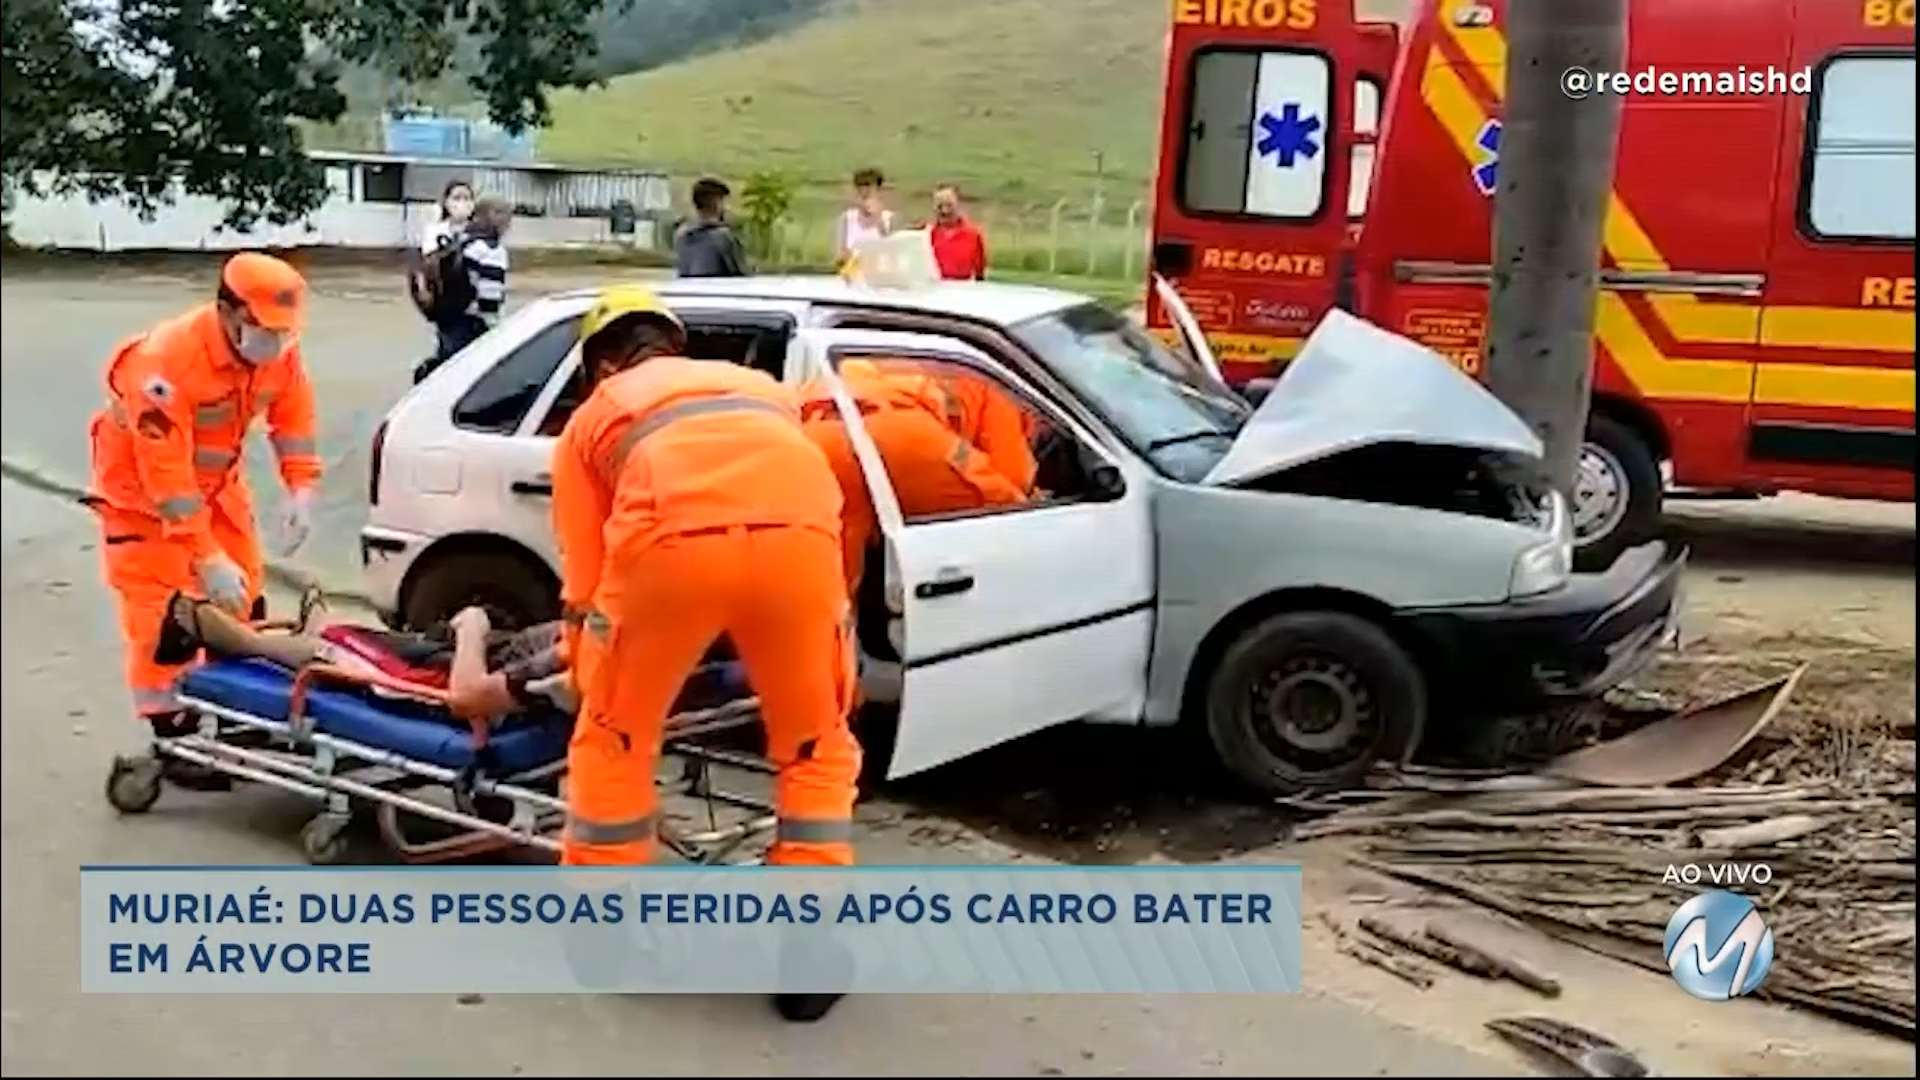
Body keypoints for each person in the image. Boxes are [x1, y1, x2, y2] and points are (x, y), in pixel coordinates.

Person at [552, 284, 860, 1022]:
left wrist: (586, 674)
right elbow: (820, 480)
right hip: (799, 544)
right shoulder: (760, 388)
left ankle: (604, 937)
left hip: (667, 550)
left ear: (599, 365)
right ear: (673, 345)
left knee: (616, 740)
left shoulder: (592, 420)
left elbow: (585, 576)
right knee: (816, 747)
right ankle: (810, 955)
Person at [85, 252, 323, 779]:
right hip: (142, 502)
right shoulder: (166, 363)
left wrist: (301, 485)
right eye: (262, 329)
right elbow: (165, 476)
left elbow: (294, 414)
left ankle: (238, 704)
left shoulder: (276, 349)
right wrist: (205, 555)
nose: (275, 343)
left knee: (243, 598)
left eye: (283, 332)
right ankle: (173, 736)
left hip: (216, 491)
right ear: (226, 311)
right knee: (163, 618)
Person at [799, 360, 1028, 594]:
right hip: (906, 436)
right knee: (1017, 523)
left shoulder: (887, 349)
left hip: (815, 430)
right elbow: (1011, 480)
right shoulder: (992, 380)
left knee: (832, 561)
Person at [414, 197, 512, 383]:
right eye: (507, 218)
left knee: (447, 373)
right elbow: (489, 298)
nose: (508, 225)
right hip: (472, 325)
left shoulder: (461, 240)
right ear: (495, 217)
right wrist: (495, 333)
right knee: (469, 382)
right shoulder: (492, 250)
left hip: (449, 319)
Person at [673, 177, 751, 278]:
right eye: (722, 201)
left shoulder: (681, 235)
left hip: (688, 290)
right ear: (715, 202)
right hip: (717, 291)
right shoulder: (724, 237)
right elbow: (740, 274)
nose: (726, 207)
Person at [834, 167, 894, 268]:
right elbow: (840, 254)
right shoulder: (847, 218)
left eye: (869, 186)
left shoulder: (890, 218)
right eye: (860, 187)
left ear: (878, 190)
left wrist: (878, 220)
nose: (864, 191)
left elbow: (892, 250)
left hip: (880, 275)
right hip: (853, 273)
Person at [927, 185, 988, 281]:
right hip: (934, 291)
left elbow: (980, 273)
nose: (944, 210)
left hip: (963, 291)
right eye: (940, 206)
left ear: (958, 205)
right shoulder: (927, 235)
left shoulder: (973, 235)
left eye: (949, 205)